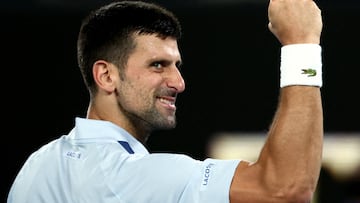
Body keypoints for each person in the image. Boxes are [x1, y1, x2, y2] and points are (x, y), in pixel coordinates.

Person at [7, 0, 324, 202]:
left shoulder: (38, 166)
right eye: (157, 65)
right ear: (106, 76)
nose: (179, 83)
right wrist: (302, 43)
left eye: (176, 66)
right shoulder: (130, 178)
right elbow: (285, 189)